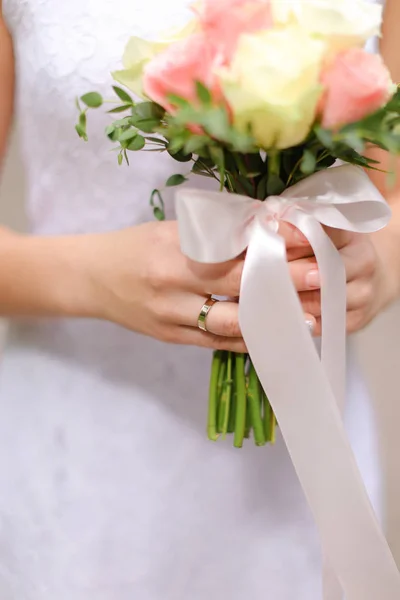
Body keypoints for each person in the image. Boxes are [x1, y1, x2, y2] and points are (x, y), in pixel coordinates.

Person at [0, 0, 398, 598]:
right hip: (84, 457)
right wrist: (90, 277)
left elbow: (389, 191)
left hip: (301, 460)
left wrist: (380, 269)